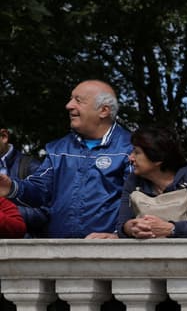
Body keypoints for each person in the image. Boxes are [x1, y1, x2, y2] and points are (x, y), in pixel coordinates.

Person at [0, 80, 131, 238]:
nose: (69, 105)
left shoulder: (129, 149)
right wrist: (11, 187)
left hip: (111, 252)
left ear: (103, 111)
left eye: (78, 100)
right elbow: (41, 191)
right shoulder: (59, 149)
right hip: (60, 252)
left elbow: (136, 199)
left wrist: (119, 235)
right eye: (70, 99)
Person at [88, 124, 187, 239]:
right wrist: (130, 227)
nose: (130, 158)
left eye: (137, 152)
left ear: (157, 158)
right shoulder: (133, 181)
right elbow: (122, 226)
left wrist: (171, 229)